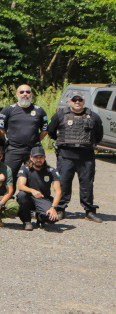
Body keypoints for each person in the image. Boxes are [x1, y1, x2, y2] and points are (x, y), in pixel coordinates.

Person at [47, 92, 104, 222]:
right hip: (66, 155)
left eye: (80, 100)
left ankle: (89, 211)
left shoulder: (93, 116)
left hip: (86, 156)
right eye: (74, 100)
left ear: (83, 101)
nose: (77, 102)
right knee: (64, 183)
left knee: (87, 184)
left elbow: (99, 135)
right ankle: (60, 209)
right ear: (69, 101)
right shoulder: (60, 115)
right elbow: (51, 131)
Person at [0, 85, 48, 174]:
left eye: (28, 92)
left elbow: (44, 130)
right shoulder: (8, 109)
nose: (25, 94)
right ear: (17, 94)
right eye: (22, 92)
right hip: (13, 150)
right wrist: (7, 140)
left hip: (32, 150)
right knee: (9, 177)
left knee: (33, 176)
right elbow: (0, 129)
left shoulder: (39, 110)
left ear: (31, 94)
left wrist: (34, 140)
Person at [16, 147, 62, 231]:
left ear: (44, 158)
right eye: (36, 157)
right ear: (31, 158)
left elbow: (58, 191)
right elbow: (20, 186)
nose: (38, 160)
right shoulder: (25, 168)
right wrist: (32, 191)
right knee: (21, 195)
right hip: (28, 197)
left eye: (41, 157)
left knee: (52, 218)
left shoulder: (51, 171)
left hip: (43, 198)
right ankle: (27, 221)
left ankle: (40, 217)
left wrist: (53, 208)